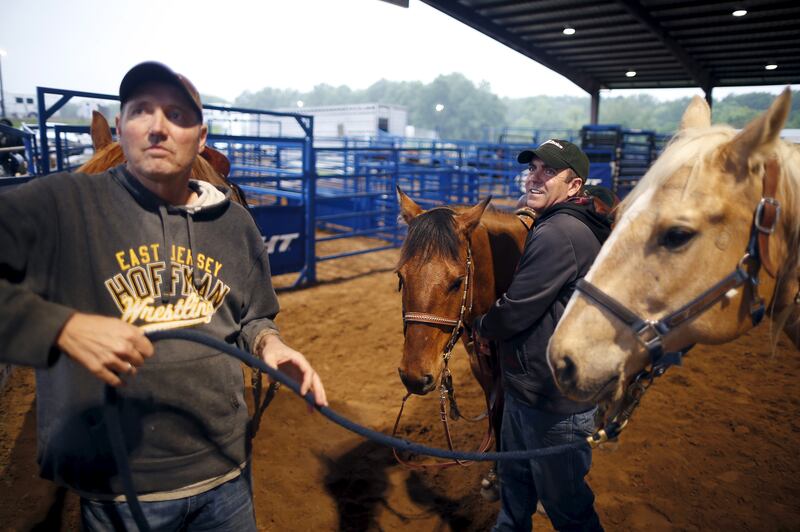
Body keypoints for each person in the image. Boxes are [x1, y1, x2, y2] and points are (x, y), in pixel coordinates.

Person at [0, 61, 327, 531]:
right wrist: (60, 326)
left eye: (177, 114)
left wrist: (267, 344)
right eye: (141, 111)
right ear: (119, 127)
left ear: (201, 135)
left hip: (225, 475)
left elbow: (254, 315)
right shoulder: (65, 205)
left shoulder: (235, 224)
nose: (158, 128)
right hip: (121, 489)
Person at [473, 139, 609, 531]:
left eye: (548, 171)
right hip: (530, 389)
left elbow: (516, 308)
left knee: (568, 510)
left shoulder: (558, 233)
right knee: (515, 492)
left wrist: (481, 326)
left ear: (574, 187)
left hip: (554, 402)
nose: (534, 177)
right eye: (533, 168)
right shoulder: (559, 224)